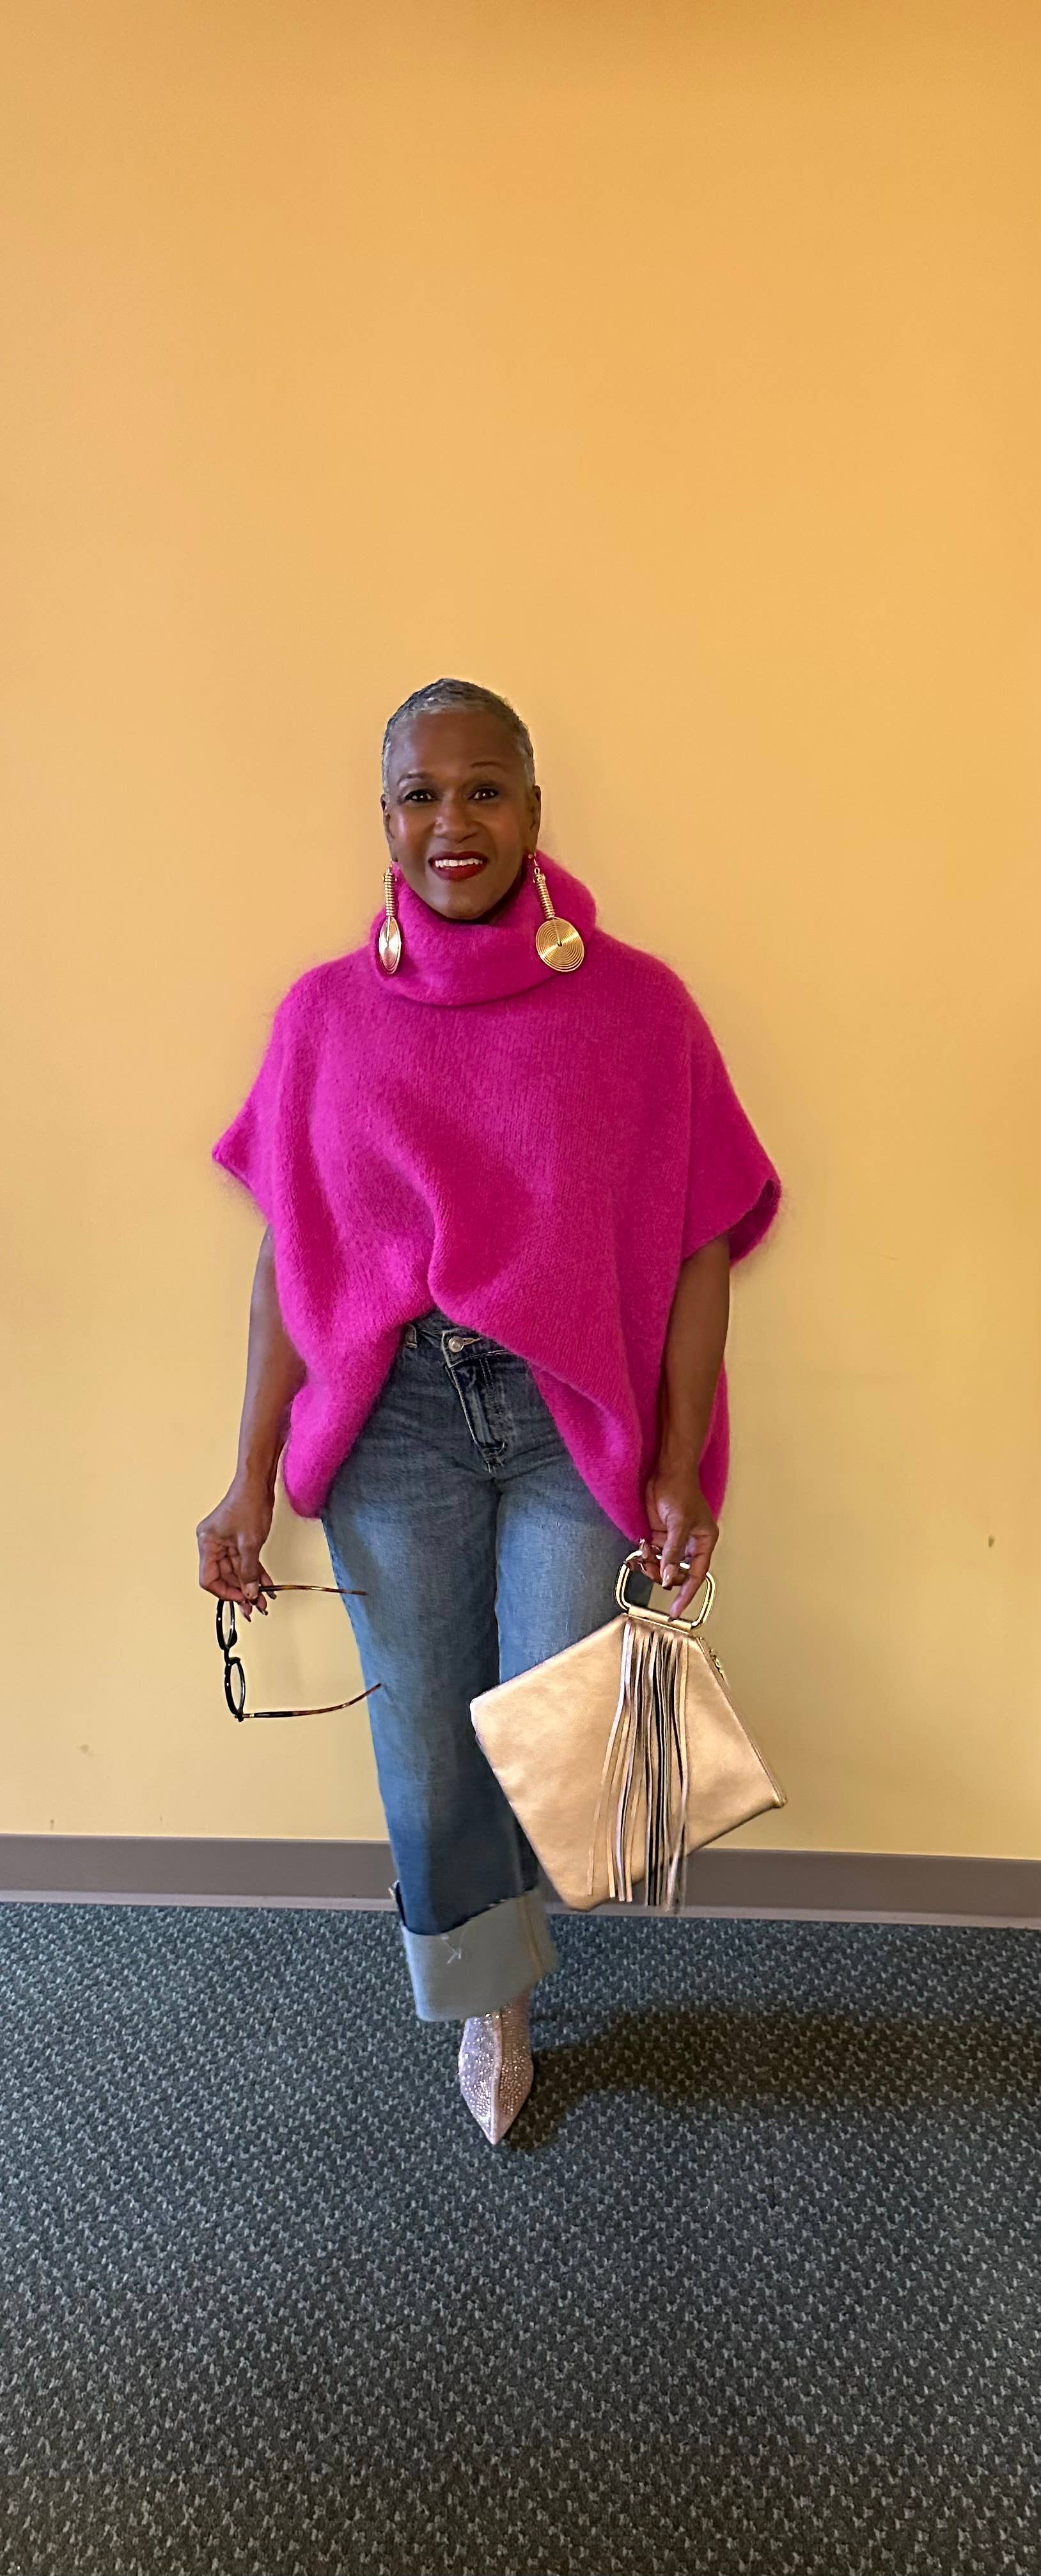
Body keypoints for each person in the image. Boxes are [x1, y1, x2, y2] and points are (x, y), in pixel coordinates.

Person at [196, 677, 781, 2144]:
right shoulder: (325, 1016)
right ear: (384, 816)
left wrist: (681, 1461)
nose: (450, 821)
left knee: (555, 1714)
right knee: (427, 1742)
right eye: (419, 793)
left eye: (483, 790)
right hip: (396, 1416)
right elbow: (292, 1261)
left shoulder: (638, 1008)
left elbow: (700, 1239)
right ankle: (492, 1998)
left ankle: (520, 1930)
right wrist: (247, 1474)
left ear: (531, 807)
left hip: (567, 1408)